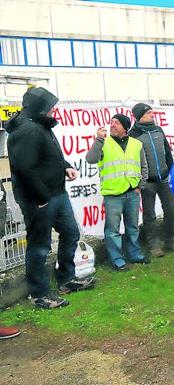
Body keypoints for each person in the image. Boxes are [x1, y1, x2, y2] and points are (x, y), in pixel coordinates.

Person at [6, 87, 95, 308]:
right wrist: (41, 197)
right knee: (39, 246)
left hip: (56, 193)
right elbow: (25, 168)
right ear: (41, 107)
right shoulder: (28, 129)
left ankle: (66, 279)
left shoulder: (39, 125)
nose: (53, 109)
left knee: (70, 232)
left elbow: (47, 155)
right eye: (50, 106)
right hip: (40, 198)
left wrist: (65, 166)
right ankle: (39, 293)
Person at [86, 114, 149, 270]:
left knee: (133, 226)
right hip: (113, 194)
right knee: (113, 229)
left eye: (117, 123)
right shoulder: (103, 143)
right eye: (112, 122)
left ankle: (133, 254)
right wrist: (98, 140)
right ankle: (117, 259)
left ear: (125, 128)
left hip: (132, 192)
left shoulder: (136, 144)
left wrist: (140, 186)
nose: (113, 125)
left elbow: (144, 167)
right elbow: (91, 159)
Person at [129, 103, 174, 257]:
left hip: (164, 179)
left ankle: (170, 240)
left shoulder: (158, 130)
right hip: (147, 182)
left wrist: (170, 170)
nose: (153, 114)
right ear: (139, 116)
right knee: (149, 215)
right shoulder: (133, 134)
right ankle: (154, 244)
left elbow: (167, 152)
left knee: (171, 211)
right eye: (149, 112)